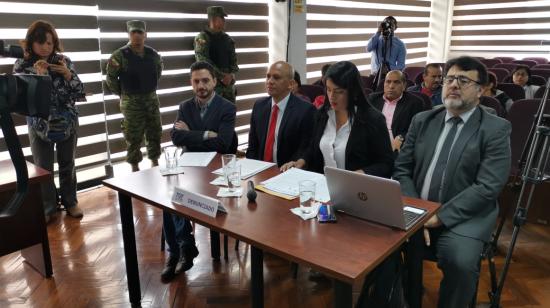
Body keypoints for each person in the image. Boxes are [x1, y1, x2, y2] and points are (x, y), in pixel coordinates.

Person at [393, 56, 511, 308]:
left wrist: (437, 217)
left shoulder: (495, 129)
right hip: (417, 209)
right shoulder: (423, 120)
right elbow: (402, 169)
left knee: (460, 262)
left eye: (464, 80)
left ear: (480, 90)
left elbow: (488, 186)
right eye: (450, 79)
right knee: (376, 251)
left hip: (465, 218)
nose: (454, 84)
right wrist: (419, 213)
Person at [160, 61, 236, 282]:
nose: (201, 85)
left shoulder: (227, 107)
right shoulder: (185, 107)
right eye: (196, 81)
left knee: (178, 197)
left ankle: (182, 248)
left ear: (214, 81)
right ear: (191, 83)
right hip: (190, 168)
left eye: (205, 80)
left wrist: (192, 133)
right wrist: (206, 134)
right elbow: (175, 137)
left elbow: (223, 144)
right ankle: (179, 250)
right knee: (169, 198)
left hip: (216, 170)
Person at [14, 20, 85, 221]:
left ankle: (70, 202)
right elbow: (22, 102)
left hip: (67, 122)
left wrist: (69, 75)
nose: (46, 47)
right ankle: (48, 208)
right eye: (41, 42)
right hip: (39, 125)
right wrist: (40, 79)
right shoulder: (22, 64)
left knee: (67, 164)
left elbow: (79, 93)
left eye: (50, 43)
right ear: (31, 42)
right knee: (43, 168)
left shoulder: (63, 61)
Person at [280, 61, 394, 178]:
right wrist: (301, 161)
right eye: (328, 89)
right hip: (323, 186)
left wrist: (361, 174)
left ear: (353, 91)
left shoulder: (373, 119)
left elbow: (386, 164)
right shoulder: (321, 115)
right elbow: (313, 147)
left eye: (339, 91)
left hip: (358, 190)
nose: (331, 96)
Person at [106, 20, 163, 172]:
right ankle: (135, 167)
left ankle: (155, 162)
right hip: (131, 102)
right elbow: (110, 79)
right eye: (133, 32)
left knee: (155, 132)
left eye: (140, 32)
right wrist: (122, 93)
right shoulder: (120, 55)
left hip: (151, 99)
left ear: (145, 35)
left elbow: (158, 73)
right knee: (133, 136)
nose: (137, 35)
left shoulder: (153, 54)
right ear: (129, 34)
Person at [246, 61, 315, 167]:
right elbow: (252, 146)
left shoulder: (305, 110)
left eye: (276, 78)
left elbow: (305, 148)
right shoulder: (259, 106)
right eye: (268, 77)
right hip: (259, 170)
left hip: (287, 172)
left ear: (291, 84)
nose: (270, 81)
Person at [369, 70, 425, 152]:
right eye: (388, 82)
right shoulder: (372, 100)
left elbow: (417, 129)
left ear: (404, 85)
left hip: (396, 146)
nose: (391, 86)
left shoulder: (415, 103)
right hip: (372, 144)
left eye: (396, 82)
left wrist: (401, 137)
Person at [194, 6, 239, 103]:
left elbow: (234, 63)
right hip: (211, 87)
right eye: (222, 18)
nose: (224, 21)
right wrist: (222, 76)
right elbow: (203, 62)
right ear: (213, 19)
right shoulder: (202, 38)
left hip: (228, 89)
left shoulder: (228, 39)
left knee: (229, 116)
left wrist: (230, 76)